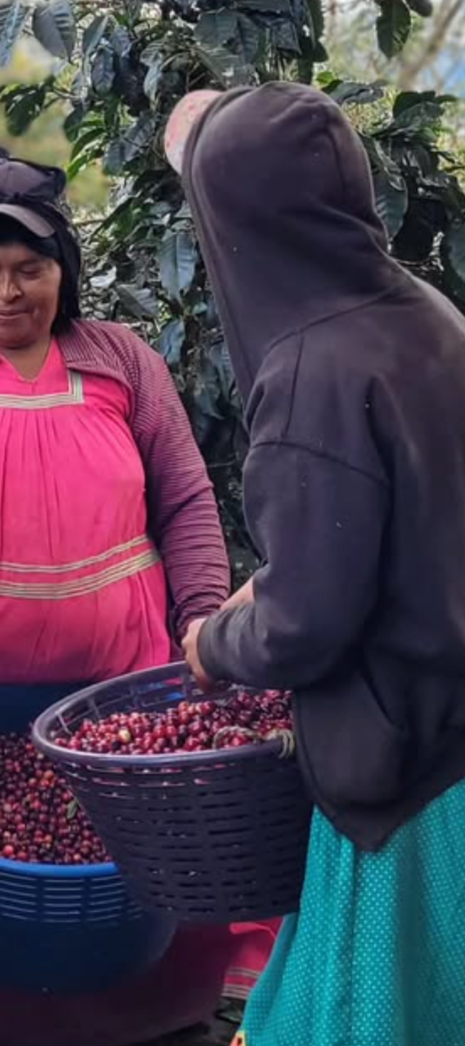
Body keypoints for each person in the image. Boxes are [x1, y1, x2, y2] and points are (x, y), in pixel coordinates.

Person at [0, 147, 278, 1046]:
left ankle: (154, 1027)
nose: (7, 290)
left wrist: (199, 627)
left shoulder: (122, 363)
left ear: (63, 274)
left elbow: (185, 501)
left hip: (117, 710)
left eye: (30, 269)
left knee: (133, 901)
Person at [173, 82, 465, 1046]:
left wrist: (217, 639)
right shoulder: (425, 311)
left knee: (357, 1013)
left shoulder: (308, 371)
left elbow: (306, 619)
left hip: (399, 771)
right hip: (453, 734)